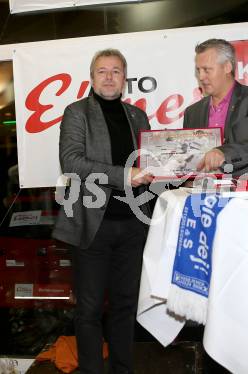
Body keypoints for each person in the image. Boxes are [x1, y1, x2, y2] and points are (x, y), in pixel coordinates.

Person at [52, 48, 152, 374]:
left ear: (125, 78)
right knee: (90, 310)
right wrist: (124, 175)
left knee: (125, 306)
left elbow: (151, 164)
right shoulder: (76, 112)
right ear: (91, 78)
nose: (109, 77)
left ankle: (122, 370)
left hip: (133, 226)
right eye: (102, 71)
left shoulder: (137, 116)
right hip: (93, 226)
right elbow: (72, 161)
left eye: (116, 71)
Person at [183, 38, 248, 176]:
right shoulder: (192, 112)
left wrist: (223, 152)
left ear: (227, 67)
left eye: (207, 70)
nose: (201, 76)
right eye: (198, 70)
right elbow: (188, 156)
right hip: (204, 191)